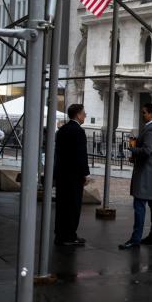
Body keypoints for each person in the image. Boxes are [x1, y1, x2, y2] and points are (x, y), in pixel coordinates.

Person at [119, 103, 152, 250]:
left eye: (144, 113)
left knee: (140, 206)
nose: (142, 115)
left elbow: (146, 151)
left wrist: (132, 149)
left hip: (146, 176)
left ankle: (136, 239)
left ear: (151, 113)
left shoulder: (151, 129)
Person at [53, 104, 90, 246]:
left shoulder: (62, 130)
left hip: (62, 174)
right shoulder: (78, 131)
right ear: (78, 115)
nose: (85, 115)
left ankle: (60, 234)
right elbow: (81, 155)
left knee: (62, 205)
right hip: (74, 176)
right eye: (83, 113)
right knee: (73, 206)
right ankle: (70, 235)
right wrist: (85, 174)